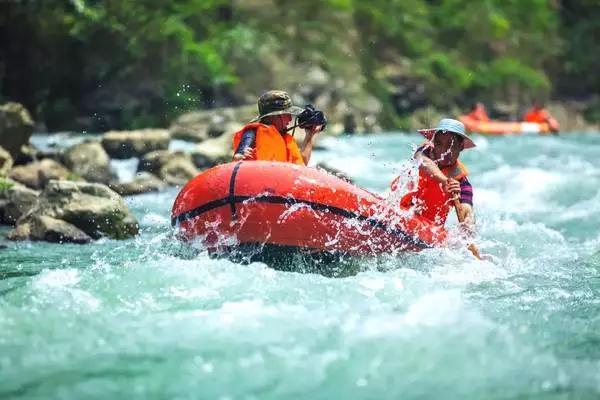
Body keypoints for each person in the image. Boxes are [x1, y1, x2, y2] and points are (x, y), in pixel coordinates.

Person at [391, 118, 477, 234]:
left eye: (450, 145)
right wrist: (445, 181)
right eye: (438, 144)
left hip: (428, 230)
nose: (443, 151)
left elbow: (467, 211)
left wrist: (468, 224)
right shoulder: (424, 152)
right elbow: (424, 163)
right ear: (433, 143)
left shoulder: (462, 183)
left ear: (460, 147)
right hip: (400, 212)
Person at [232, 90, 321, 165]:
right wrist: (239, 155)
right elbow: (240, 152)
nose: (290, 119)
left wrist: (310, 135)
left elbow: (301, 165)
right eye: (286, 115)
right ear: (272, 116)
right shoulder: (252, 132)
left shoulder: (285, 138)